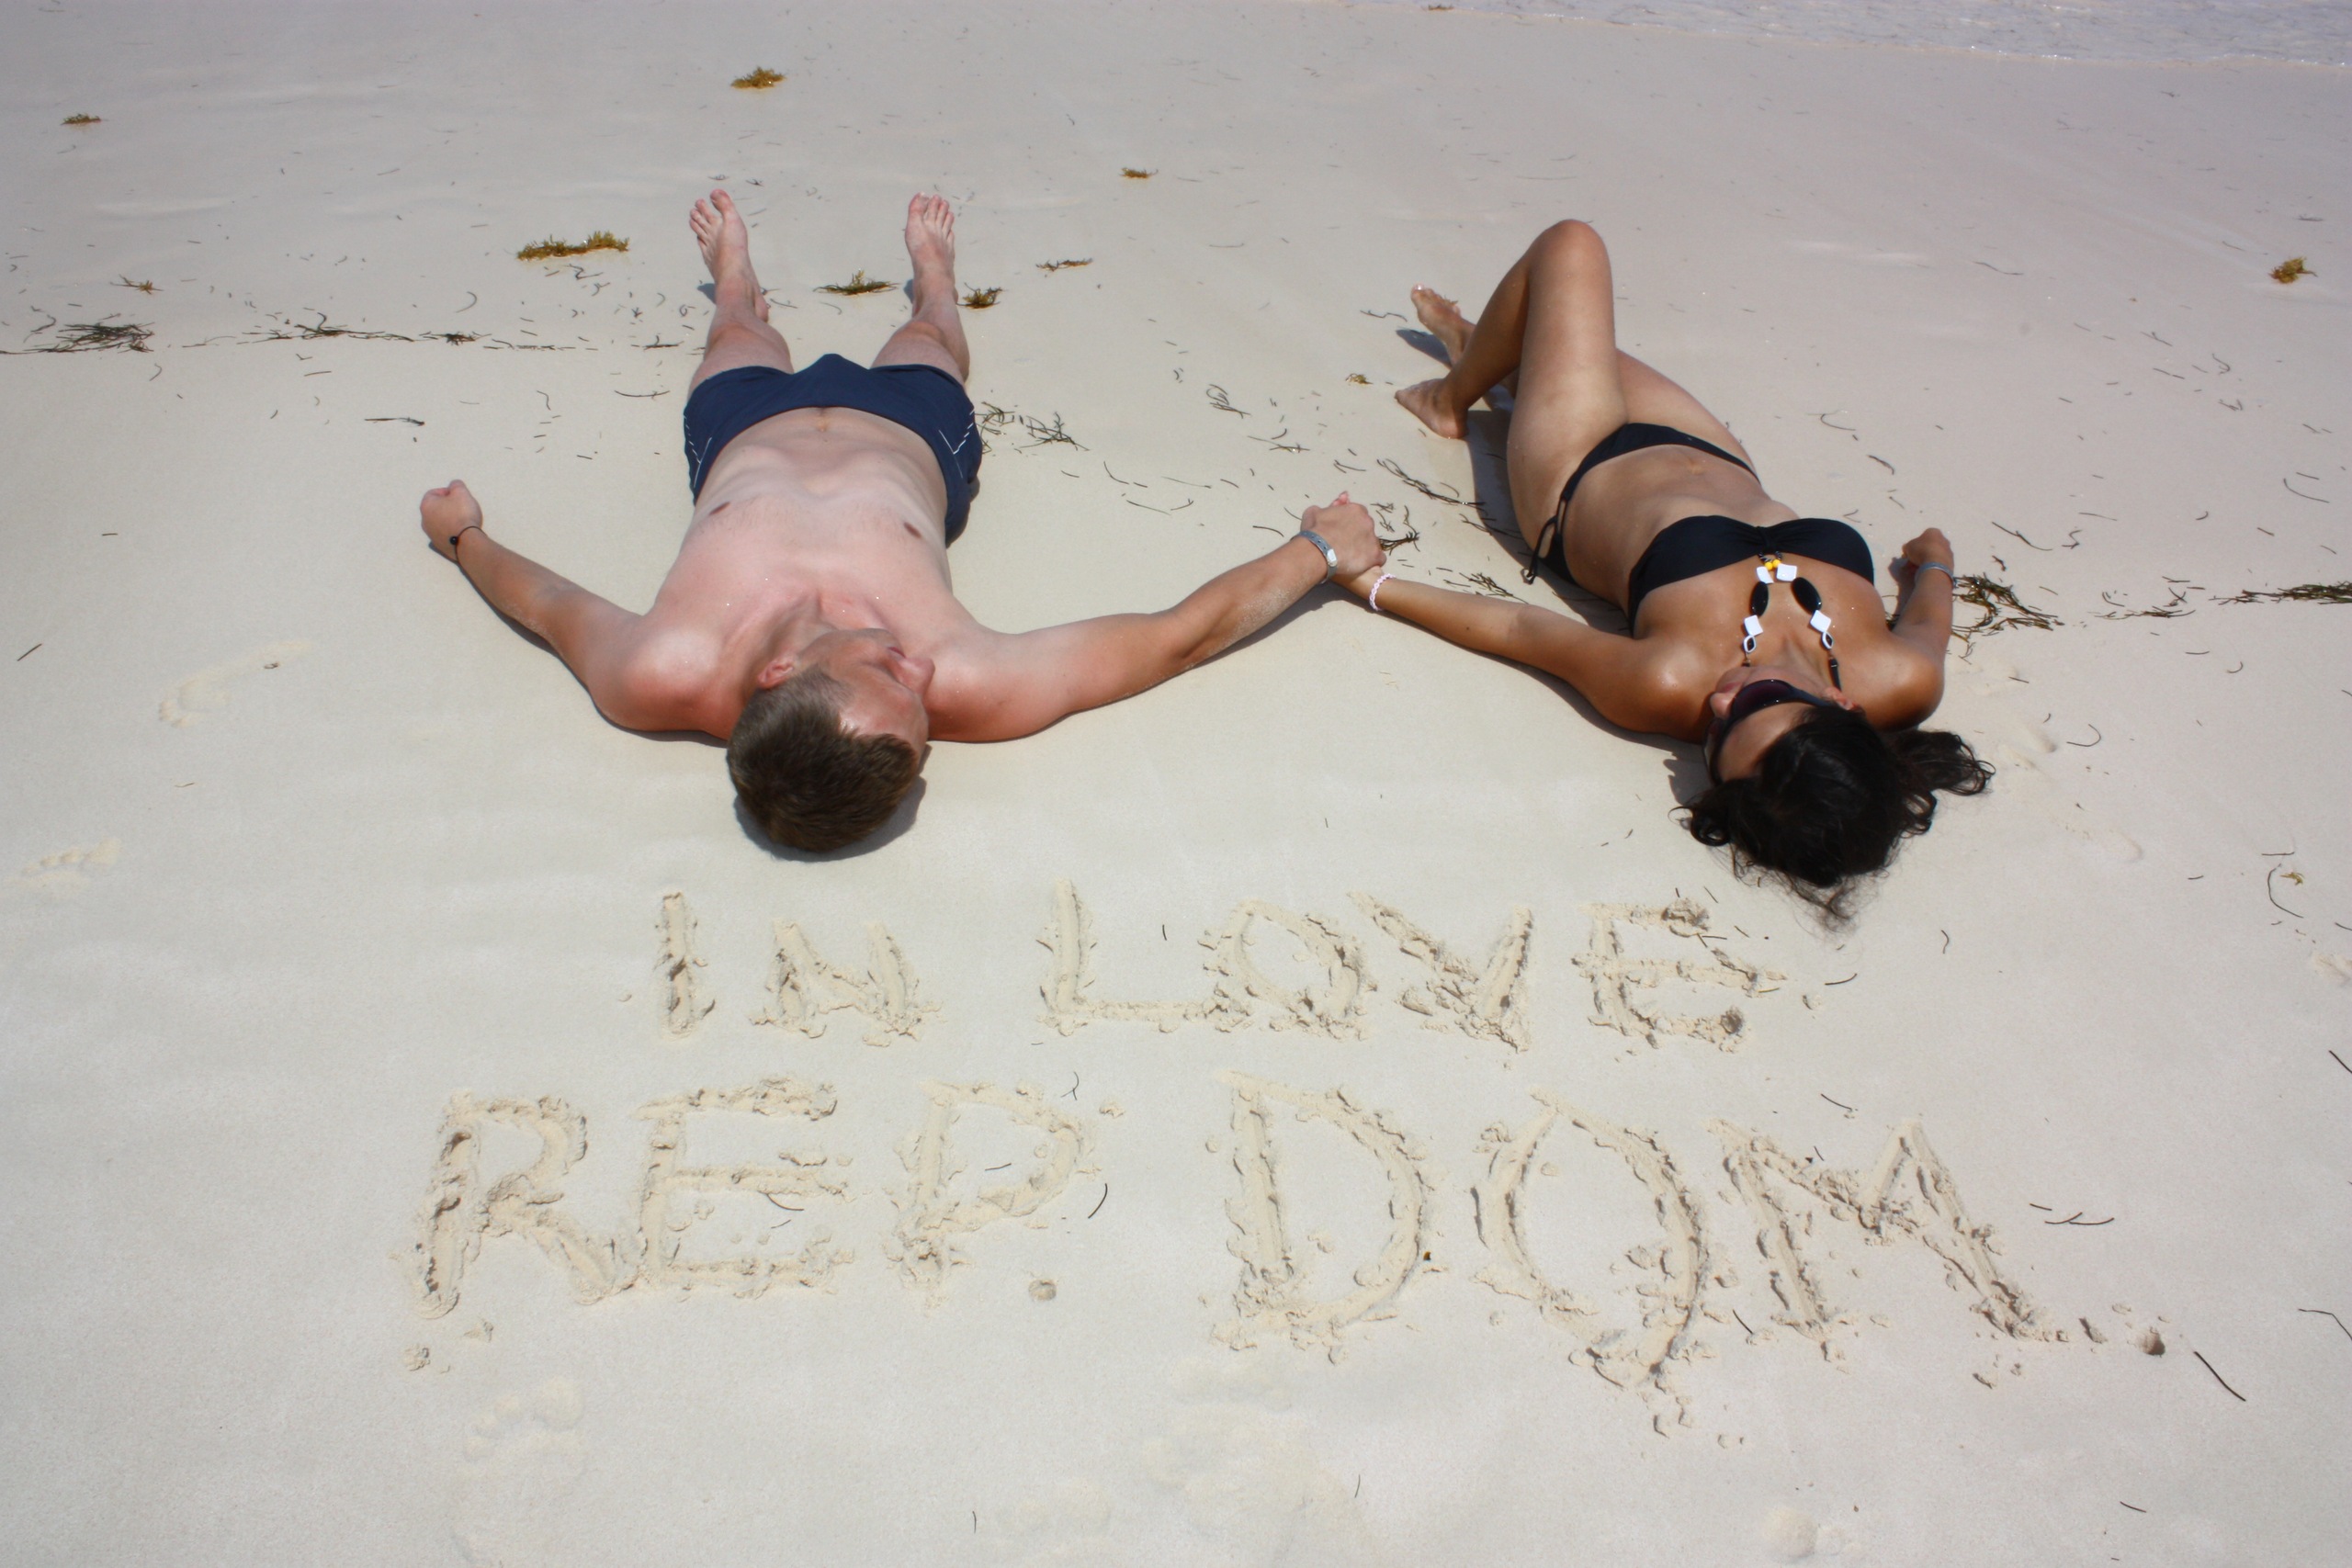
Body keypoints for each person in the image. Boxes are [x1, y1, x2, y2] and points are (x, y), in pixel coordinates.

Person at [419, 190, 1381, 852]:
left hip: (742, 431)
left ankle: (737, 281)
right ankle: (935, 288)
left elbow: (548, 605)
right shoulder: (964, 680)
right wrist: (1318, 551)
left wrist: (464, 539)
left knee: (738, 335)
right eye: (922, 719)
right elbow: (1177, 639)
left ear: (778, 675)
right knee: (928, 343)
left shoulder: (659, 671)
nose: (919, 671)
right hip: (909, 433)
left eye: (888, 674)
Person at [1336, 219, 1988, 908]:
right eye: (1754, 704)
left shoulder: (1669, 682)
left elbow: (1522, 631)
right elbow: (1929, 609)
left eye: (1715, 738)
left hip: (1577, 464)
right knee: (1544, 330)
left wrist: (1370, 582)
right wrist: (1936, 561)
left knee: (1570, 250)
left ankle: (1450, 399)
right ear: (1842, 705)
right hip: (1708, 449)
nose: (1719, 703)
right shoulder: (1904, 677)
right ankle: (1475, 344)